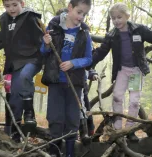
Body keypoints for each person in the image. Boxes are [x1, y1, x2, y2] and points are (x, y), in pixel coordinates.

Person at [90, 2, 152, 141]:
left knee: (134, 101)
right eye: (113, 18)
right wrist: (86, 63)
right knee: (117, 96)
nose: (116, 21)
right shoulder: (111, 35)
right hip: (122, 71)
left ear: (127, 16)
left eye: (119, 17)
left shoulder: (139, 30)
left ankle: (130, 129)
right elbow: (100, 53)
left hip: (135, 72)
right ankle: (117, 129)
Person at [0, 0, 44, 142]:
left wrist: (46, 56)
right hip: (15, 62)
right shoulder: (4, 19)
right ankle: (16, 134)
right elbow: (4, 35)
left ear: (22, 3)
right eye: (7, 6)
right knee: (15, 97)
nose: (11, 9)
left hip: (32, 58)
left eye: (14, 5)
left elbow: (40, 39)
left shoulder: (30, 16)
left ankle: (30, 114)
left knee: (25, 76)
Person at [41, 0, 92, 156]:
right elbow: (43, 52)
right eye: (79, 12)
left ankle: (70, 153)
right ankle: (54, 152)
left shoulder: (84, 34)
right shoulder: (54, 28)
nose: (81, 17)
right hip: (56, 80)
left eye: (84, 14)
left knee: (72, 118)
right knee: (55, 117)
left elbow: (89, 59)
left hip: (74, 83)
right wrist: (46, 44)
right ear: (70, 8)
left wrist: (73, 63)